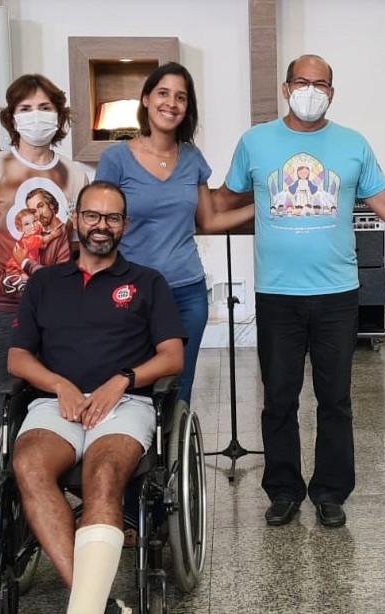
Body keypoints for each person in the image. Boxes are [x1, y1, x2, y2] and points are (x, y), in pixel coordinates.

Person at [211, 54, 385, 529]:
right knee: (279, 398)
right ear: (286, 88)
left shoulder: (353, 144)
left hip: (337, 293)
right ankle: (283, 490)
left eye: (320, 84)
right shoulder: (255, 142)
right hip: (277, 294)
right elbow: (222, 200)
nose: (311, 91)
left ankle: (330, 491)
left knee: (335, 398)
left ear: (332, 92)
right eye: (302, 82)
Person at [8, 181, 186, 614]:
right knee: (28, 466)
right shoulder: (45, 282)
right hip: (56, 403)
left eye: (112, 218)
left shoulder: (148, 282)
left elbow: (172, 356)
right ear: (75, 220)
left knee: (103, 476)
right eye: (92, 216)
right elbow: (18, 358)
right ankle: (95, 611)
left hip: (124, 403)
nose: (101, 226)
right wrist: (60, 385)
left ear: (124, 225)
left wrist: (121, 380)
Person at [0, 73, 91, 443]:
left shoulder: (75, 175)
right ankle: (6, 476)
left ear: (59, 115)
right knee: (5, 404)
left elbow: (81, 252)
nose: (36, 115)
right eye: (26, 108)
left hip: (58, 310)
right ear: (12, 118)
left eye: (45, 107)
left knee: (58, 400)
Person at [96, 62, 235, 406]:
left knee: (178, 389)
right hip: (131, 292)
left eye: (181, 97)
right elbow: (100, 228)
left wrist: (262, 207)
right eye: (163, 93)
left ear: (188, 107)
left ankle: (173, 443)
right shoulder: (115, 159)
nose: (171, 103)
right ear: (146, 99)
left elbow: (208, 221)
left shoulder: (192, 157)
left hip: (187, 293)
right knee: (131, 386)